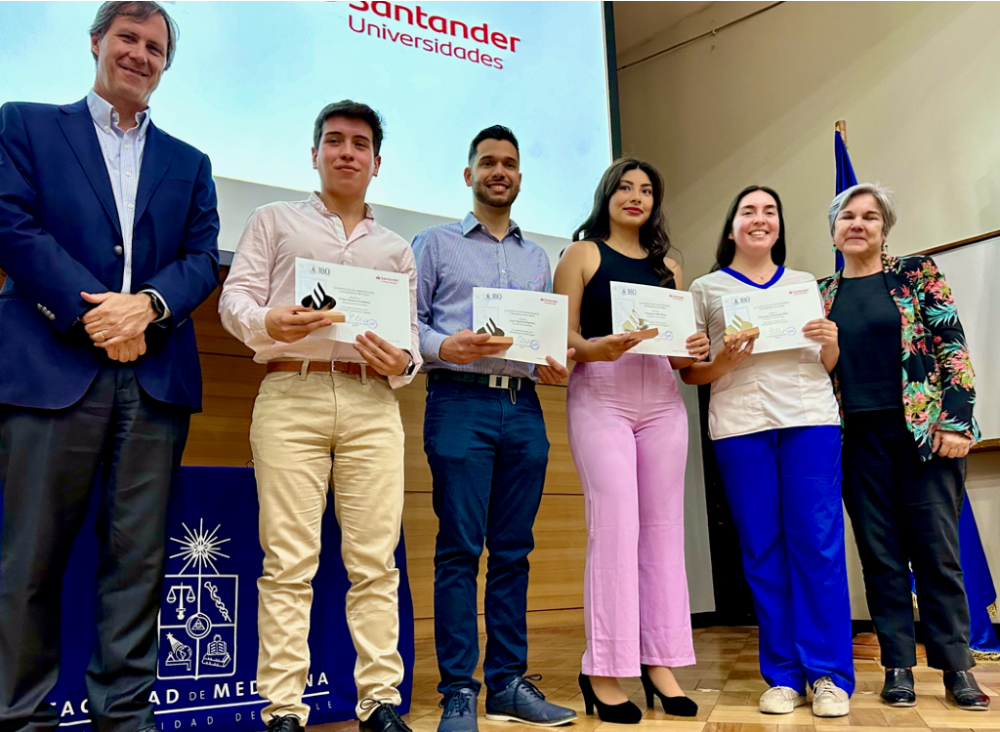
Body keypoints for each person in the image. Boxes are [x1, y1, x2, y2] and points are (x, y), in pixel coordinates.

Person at [0, 1, 220, 729]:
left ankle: (124, 719)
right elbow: (12, 223)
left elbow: (199, 258)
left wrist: (148, 307)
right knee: (29, 563)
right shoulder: (25, 123)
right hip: (49, 369)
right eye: (127, 38)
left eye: (155, 47)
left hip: (153, 383)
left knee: (138, 567)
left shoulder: (191, 164)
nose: (140, 54)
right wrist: (97, 314)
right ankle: (20, 718)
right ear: (97, 43)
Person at [219, 100, 420, 732]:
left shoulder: (394, 249)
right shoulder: (273, 219)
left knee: (375, 561)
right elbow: (236, 299)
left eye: (360, 144)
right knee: (288, 561)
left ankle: (379, 702)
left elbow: (411, 347)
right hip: (290, 392)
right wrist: (267, 322)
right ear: (315, 154)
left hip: (371, 402)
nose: (347, 152)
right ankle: (283, 710)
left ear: (376, 163)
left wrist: (401, 360)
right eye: (334, 141)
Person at [412, 125, 576, 732]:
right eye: (487, 163)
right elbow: (410, 325)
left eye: (508, 163)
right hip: (459, 402)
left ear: (519, 178)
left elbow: (542, 339)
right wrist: (444, 344)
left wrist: (553, 361)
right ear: (469, 174)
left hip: (525, 406)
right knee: (459, 549)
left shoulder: (539, 258)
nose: (498, 171)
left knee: (514, 551)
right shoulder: (433, 243)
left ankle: (508, 683)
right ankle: (459, 690)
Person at [680, 186, 853, 717]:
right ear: (731, 226)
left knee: (818, 547)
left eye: (770, 211)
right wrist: (726, 361)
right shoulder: (705, 289)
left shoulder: (804, 283)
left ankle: (828, 676)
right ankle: (782, 676)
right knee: (761, 551)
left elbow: (824, 364)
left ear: (780, 225)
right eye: (748, 211)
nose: (760, 219)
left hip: (809, 422)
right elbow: (692, 372)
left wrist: (831, 341)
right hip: (740, 426)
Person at [820, 183, 988, 711]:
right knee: (881, 558)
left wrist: (957, 420)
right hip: (855, 442)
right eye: (848, 216)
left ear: (884, 228)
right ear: (833, 230)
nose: (858, 224)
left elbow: (951, 346)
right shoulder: (820, 294)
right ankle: (897, 665)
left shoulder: (917, 275)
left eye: (870, 217)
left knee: (937, 555)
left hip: (924, 438)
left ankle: (957, 667)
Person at [552, 159, 708, 723]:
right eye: (625, 187)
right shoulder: (582, 254)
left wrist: (692, 347)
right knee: (615, 528)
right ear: (607, 195)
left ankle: (660, 663)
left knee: (664, 532)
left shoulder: (670, 265)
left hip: (662, 399)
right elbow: (563, 334)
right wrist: (598, 348)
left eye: (646, 190)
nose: (635, 196)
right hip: (602, 392)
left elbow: (675, 350)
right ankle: (603, 669)